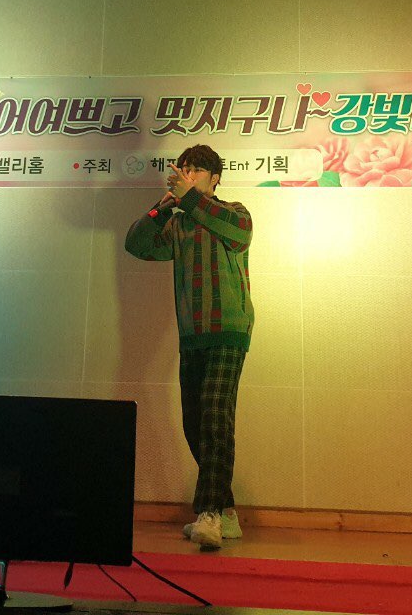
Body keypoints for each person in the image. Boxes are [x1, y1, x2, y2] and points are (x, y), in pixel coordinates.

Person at [124, 144, 254, 550]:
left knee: (215, 416)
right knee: (195, 424)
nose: (188, 174)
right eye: (184, 169)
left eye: (196, 170)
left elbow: (238, 233)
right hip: (192, 333)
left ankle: (209, 513)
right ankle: (226, 511)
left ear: (215, 179)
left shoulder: (234, 212)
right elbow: (137, 244)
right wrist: (162, 208)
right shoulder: (179, 223)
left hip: (228, 330)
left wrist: (189, 199)